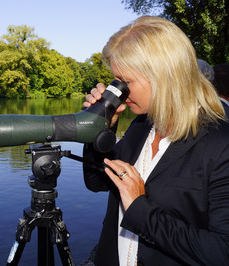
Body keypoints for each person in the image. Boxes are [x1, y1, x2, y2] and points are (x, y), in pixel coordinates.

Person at [81, 16, 229, 265]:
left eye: (125, 82)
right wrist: (101, 125)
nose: (119, 91)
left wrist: (140, 208)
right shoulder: (141, 126)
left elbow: (221, 252)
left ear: (163, 75)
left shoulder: (220, 143)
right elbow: (96, 181)